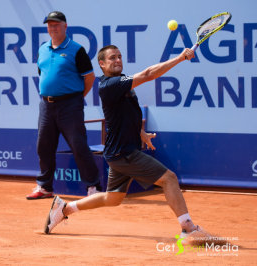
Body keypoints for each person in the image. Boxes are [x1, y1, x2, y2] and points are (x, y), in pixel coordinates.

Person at [44, 44, 203, 239]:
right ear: (102, 64)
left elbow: (128, 113)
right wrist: (180, 58)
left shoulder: (121, 82)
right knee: (169, 178)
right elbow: (147, 74)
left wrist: (141, 132)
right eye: (112, 58)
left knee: (113, 198)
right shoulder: (111, 85)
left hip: (118, 152)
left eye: (119, 56)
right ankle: (188, 228)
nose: (117, 60)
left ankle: (64, 208)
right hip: (124, 153)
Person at [26, 11, 102, 200]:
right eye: (50, 25)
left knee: (79, 146)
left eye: (56, 24)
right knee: (43, 146)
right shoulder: (43, 49)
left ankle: (93, 187)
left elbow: (89, 78)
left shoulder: (76, 50)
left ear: (65, 26)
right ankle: (45, 187)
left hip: (70, 105)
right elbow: (43, 74)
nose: (53, 28)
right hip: (46, 105)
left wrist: (75, 98)